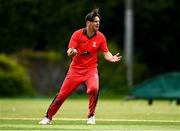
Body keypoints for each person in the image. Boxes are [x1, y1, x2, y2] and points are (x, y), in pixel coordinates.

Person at [39, 8, 122, 125]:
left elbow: (106, 53)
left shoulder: (101, 37)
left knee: (94, 89)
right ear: (88, 23)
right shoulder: (77, 34)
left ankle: (91, 115)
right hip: (75, 70)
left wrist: (111, 58)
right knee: (61, 95)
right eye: (95, 21)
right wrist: (72, 52)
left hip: (91, 70)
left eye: (99, 21)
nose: (98, 23)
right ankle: (48, 117)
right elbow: (69, 51)